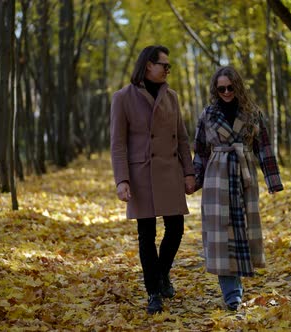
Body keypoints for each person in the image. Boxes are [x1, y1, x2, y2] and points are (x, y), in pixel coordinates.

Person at [110, 45, 196, 315]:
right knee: (146, 235)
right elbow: (118, 144)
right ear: (148, 65)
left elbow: (182, 138)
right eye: (164, 65)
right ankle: (153, 292)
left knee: (176, 228)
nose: (167, 70)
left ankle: (161, 274)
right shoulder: (123, 98)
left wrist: (189, 172)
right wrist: (122, 180)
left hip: (169, 171)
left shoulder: (172, 97)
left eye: (169, 66)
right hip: (140, 175)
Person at [193, 66, 284, 311]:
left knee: (242, 229)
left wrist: (272, 180)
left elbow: (263, 148)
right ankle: (232, 294)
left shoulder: (252, 113)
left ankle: (238, 287)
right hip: (217, 177)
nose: (226, 92)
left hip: (244, 175)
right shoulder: (208, 114)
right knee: (221, 234)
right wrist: (193, 179)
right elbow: (200, 149)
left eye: (230, 87)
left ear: (238, 86)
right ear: (215, 89)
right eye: (220, 88)